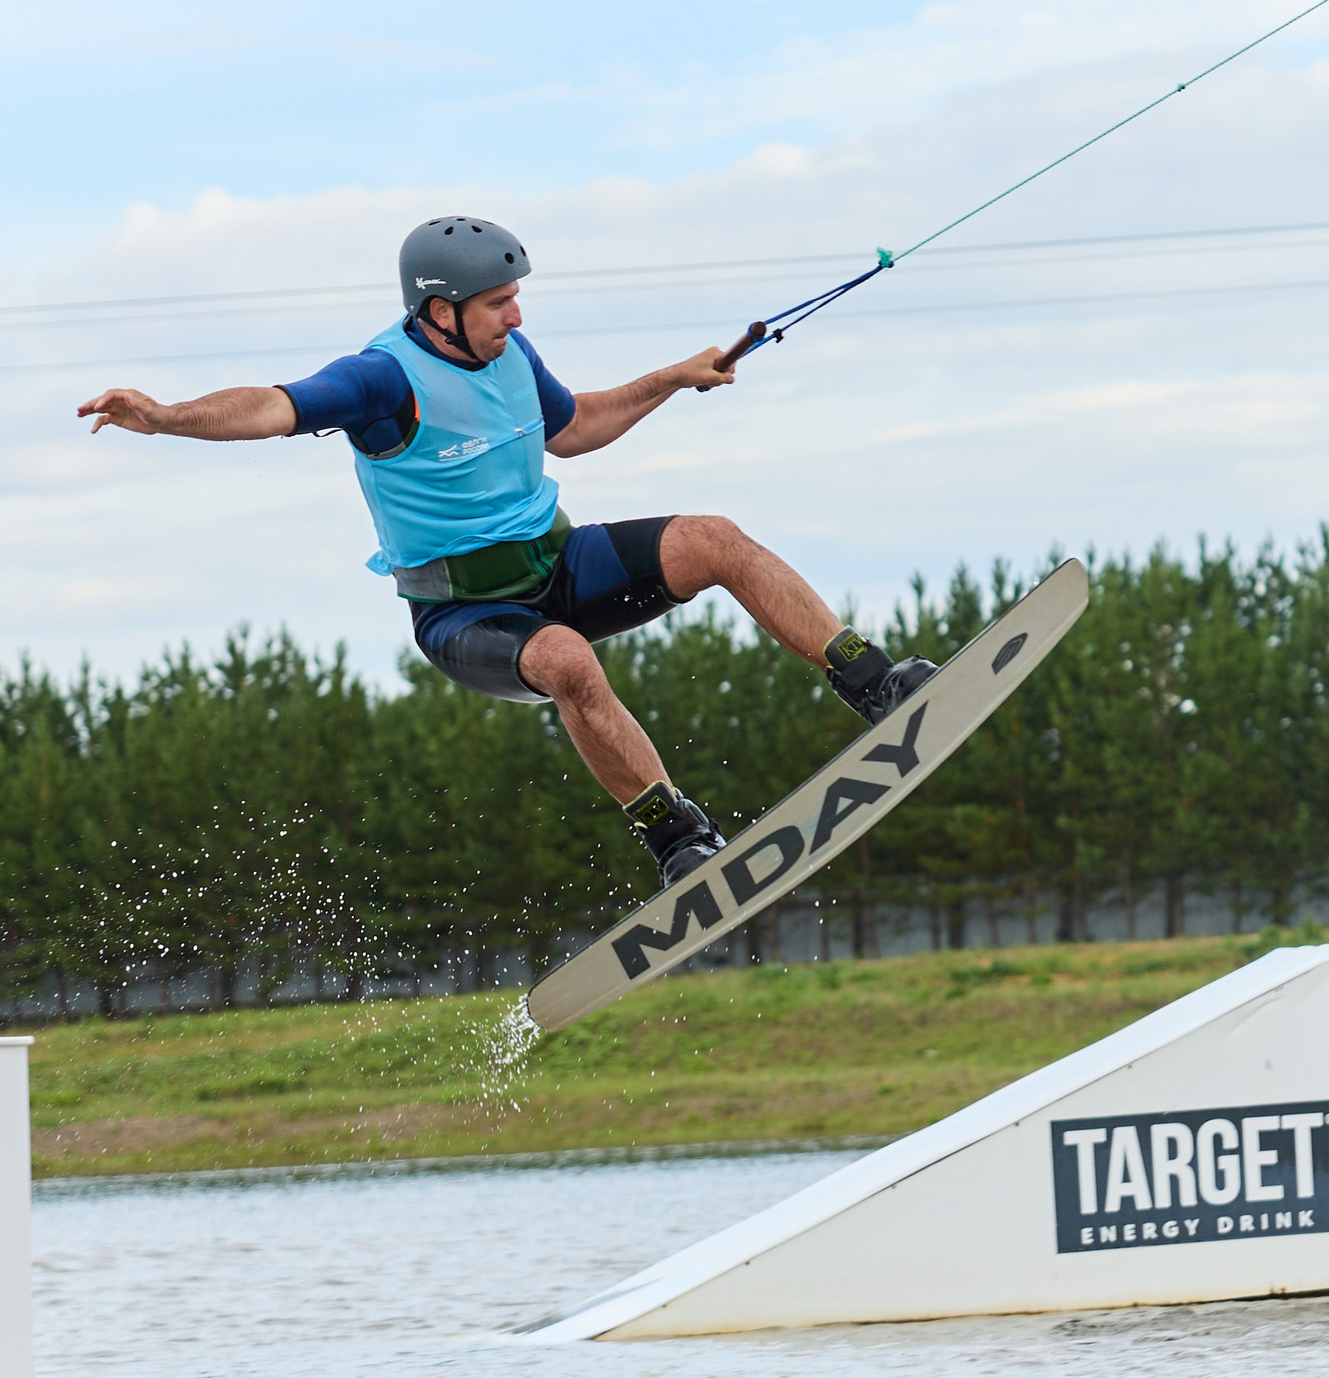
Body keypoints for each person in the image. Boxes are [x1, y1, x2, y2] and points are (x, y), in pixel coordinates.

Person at [77, 216, 935, 887]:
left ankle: (873, 680)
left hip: (558, 565)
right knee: (564, 659)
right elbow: (268, 405)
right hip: (466, 613)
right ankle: (677, 837)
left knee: (712, 539)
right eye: (498, 303)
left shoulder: (511, 352)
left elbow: (573, 430)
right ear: (439, 310)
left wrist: (672, 377)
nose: (516, 315)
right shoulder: (381, 379)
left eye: (516, 298)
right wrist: (165, 417)